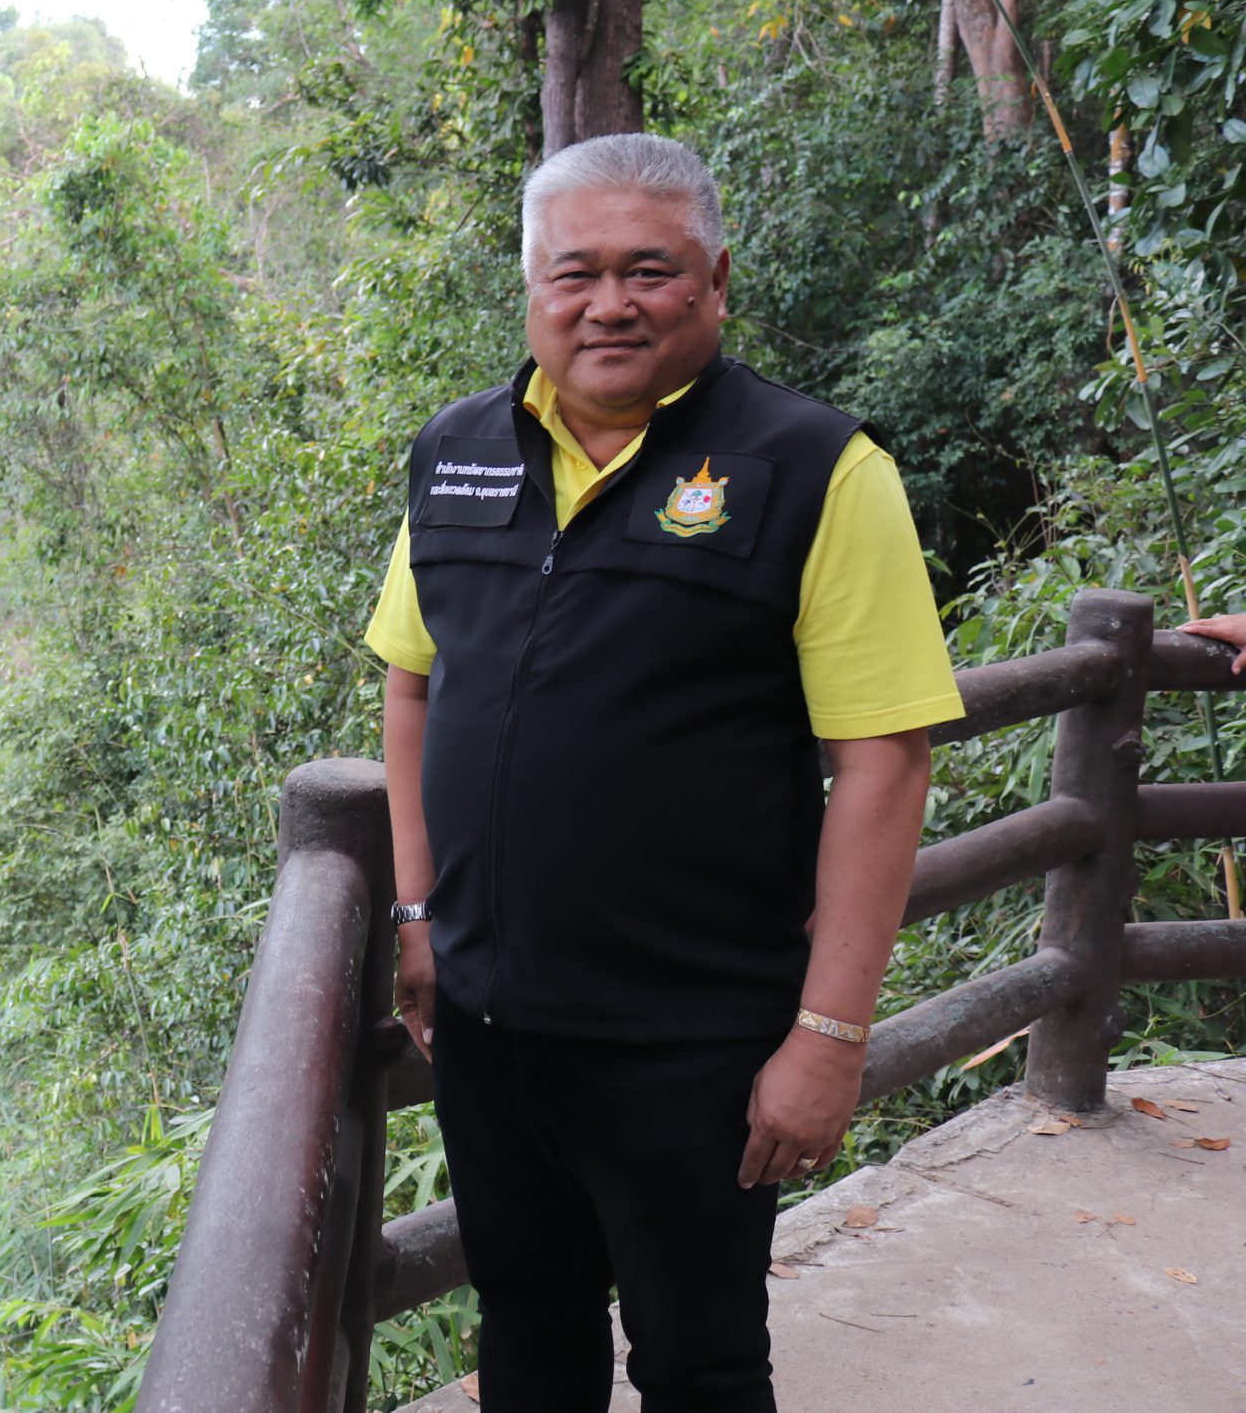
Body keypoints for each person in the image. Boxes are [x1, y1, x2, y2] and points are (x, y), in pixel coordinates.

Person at [367, 133, 964, 1413]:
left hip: (690, 1044)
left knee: (699, 1364)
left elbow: (884, 763)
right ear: (530, 286)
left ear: (715, 281)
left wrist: (827, 1037)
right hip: (487, 1026)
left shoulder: (815, 469)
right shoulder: (458, 453)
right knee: (526, 1332)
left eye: (649, 271)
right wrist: (417, 913)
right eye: (573, 272)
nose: (609, 304)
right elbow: (411, 684)